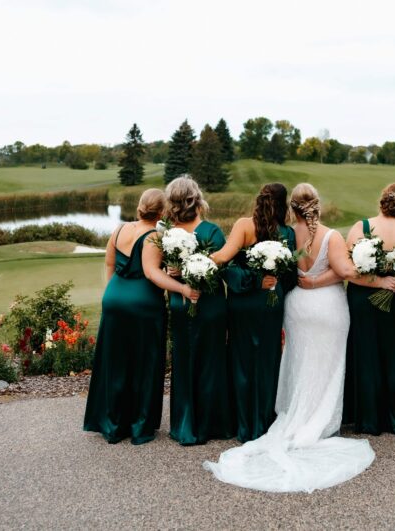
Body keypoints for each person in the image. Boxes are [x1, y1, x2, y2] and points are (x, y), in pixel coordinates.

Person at [203, 183, 375, 493]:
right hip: (322, 306)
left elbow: (253, 266)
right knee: (323, 364)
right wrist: (372, 268)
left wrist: (196, 261)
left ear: (292, 208)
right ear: (315, 205)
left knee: (294, 362)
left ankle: (271, 418)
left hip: (294, 308)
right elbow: (345, 270)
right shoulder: (313, 234)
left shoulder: (285, 233)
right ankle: (317, 420)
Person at [211, 183, 296, 442]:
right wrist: (272, 284)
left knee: (242, 360)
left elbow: (223, 259)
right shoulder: (288, 233)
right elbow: (290, 275)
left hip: (244, 304)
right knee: (268, 360)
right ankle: (265, 421)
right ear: (283, 205)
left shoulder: (244, 225)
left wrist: (197, 261)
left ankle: (243, 424)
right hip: (271, 302)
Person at [83, 188, 169, 444]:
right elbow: (153, 274)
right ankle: (139, 424)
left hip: (114, 299)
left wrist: (114, 294)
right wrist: (181, 286)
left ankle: (112, 423)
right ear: (162, 212)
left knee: (116, 362)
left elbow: (110, 264)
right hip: (143, 305)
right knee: (143, 363)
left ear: (141, 206)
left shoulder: (119, 229)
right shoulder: (155, 236)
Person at [153, 176, 233, 445]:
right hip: (208, 303)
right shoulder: (212, 231)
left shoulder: (167, 233)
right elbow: (224, 269)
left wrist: (171, 271)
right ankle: (212, 425)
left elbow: (160, 268)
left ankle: (186, 425)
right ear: (196, 199)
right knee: (210, 361)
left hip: (181, 302)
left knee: (185, 361)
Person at [343, 183, 395, 435]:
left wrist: (376, 280)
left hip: (363, 299)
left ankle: (368, 419)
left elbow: (348, 269)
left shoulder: (361, 227)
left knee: (367, 355)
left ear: (381, 200)